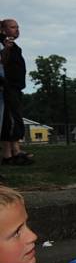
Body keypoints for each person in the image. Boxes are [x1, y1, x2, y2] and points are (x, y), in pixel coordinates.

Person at [0, 19, 32, 166]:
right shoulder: (4, 45)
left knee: (11, 118)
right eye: (13, 27)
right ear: (3, 29)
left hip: (15, 87)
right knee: (11, 119)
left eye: (17, 27)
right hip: (8, 87)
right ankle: (11, 153)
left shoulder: (13, 46)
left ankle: (13, 151)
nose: (17, 30)